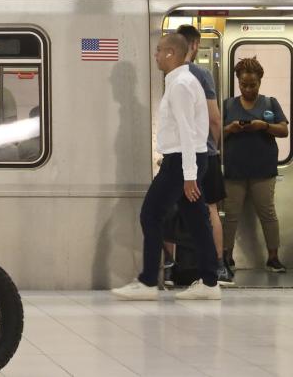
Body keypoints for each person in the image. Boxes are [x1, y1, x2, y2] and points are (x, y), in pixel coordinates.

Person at [111, 33, 220, 300]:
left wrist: (189, 175)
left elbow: (188, 131)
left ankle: (148, 282)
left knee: (151, 214)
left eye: (159, 50)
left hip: (182, 162)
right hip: (183, 159)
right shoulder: (180, 82)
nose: (156, 55)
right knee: (197, 221)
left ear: (171, 53)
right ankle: (210, 282)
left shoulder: (181, 84)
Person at [170, 24, 233, 284]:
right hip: (203, 154)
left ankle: (176, 265)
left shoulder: (172, 74)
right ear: (195, 45)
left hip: (178, 154)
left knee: (171, 208)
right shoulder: (201, 74)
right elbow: (214, 119)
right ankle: (217, 265)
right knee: (210, 209)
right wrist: (214, 149)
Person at [222, 57, 289, 273]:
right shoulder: (228, 105)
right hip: (235, 170)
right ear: (238, 82)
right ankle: (227, 256)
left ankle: (273, 257)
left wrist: (264, 125)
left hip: (263, 170)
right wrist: (230, 129)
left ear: (260, 82)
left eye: (253, 85)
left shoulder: (270, 103)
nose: (248, 89)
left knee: (267, 214)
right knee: (231, 214)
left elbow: (283, 130)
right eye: (243, 84)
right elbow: (215, 134)